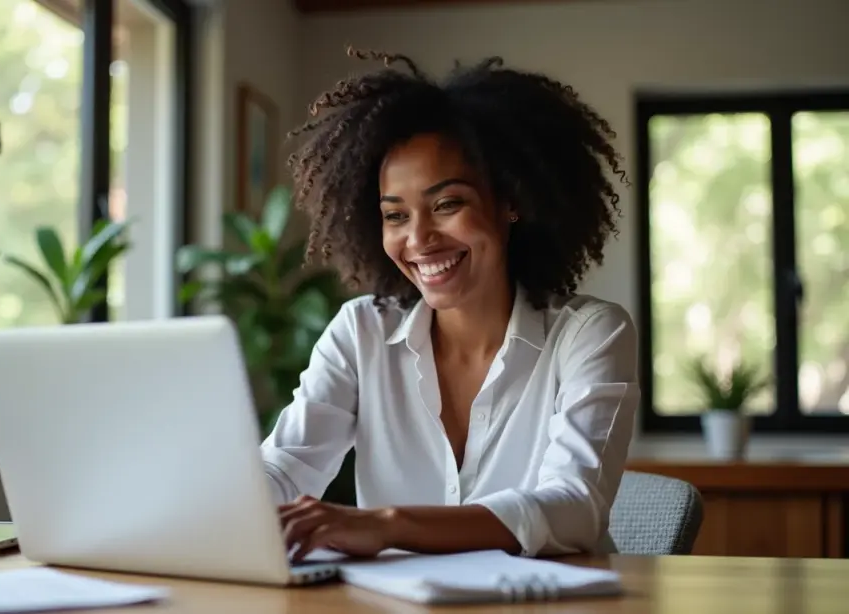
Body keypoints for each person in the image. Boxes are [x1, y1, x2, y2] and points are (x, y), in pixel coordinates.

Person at [261, 47, 639, 562]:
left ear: (511, 201)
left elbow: (573, 508)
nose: (419, 239)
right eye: (395, 216)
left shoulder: (590, 333)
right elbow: (283, 467)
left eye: (446, 204)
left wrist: (389, 525)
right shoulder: (361, 331)